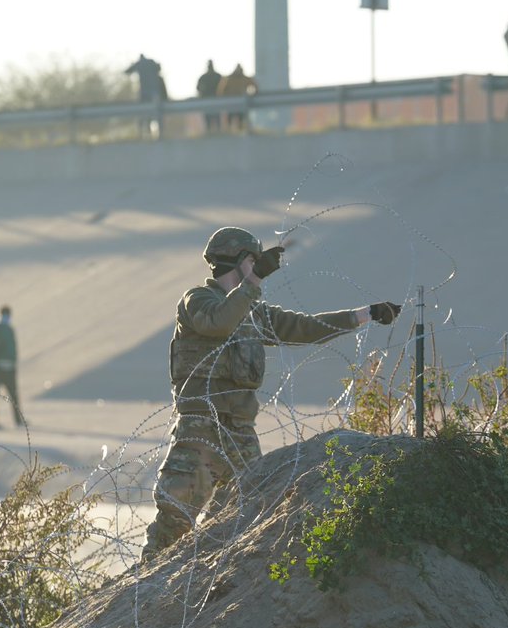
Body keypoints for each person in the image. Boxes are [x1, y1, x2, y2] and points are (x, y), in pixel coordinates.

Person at [144, 226, 402, 558]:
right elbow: (218, 322)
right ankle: (141, 590)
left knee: (245, 512)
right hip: (201, 428)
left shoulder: (253, 311)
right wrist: (253, 282)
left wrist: (366, 314)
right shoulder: (197, 300)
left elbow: (305, 328)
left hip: (240, 431)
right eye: (254, 260)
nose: (258, 267)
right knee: (175, 518)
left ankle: (208, 580)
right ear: (238, 261)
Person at [124, 54, 166, 138]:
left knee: (144, 112)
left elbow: (127, 72)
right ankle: (160, 134)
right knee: (157, 112)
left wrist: (132, 64)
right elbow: (159, 68)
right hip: (155, 91)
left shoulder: (139, 63)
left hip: (145, 92)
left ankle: (145, 134)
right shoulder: (151, 62)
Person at [217, 64, 257, 132]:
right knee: (236, 117)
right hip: (238, 101)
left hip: (233, 102)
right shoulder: (242, 78)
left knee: (235, 117)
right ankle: (236, 130)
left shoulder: (230, 79)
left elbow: (221, 91)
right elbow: (255, 86)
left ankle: (235, 131)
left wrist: (224, 98)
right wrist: (252, 95)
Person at [196, 59, 223, 132]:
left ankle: (214, 132)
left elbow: (198, 88)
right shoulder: (217, 76)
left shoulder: (205, 77)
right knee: (211, 118)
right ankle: (213, 132)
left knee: (213, 117)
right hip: (210, 100)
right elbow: (198, 88)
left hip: (212, 100)